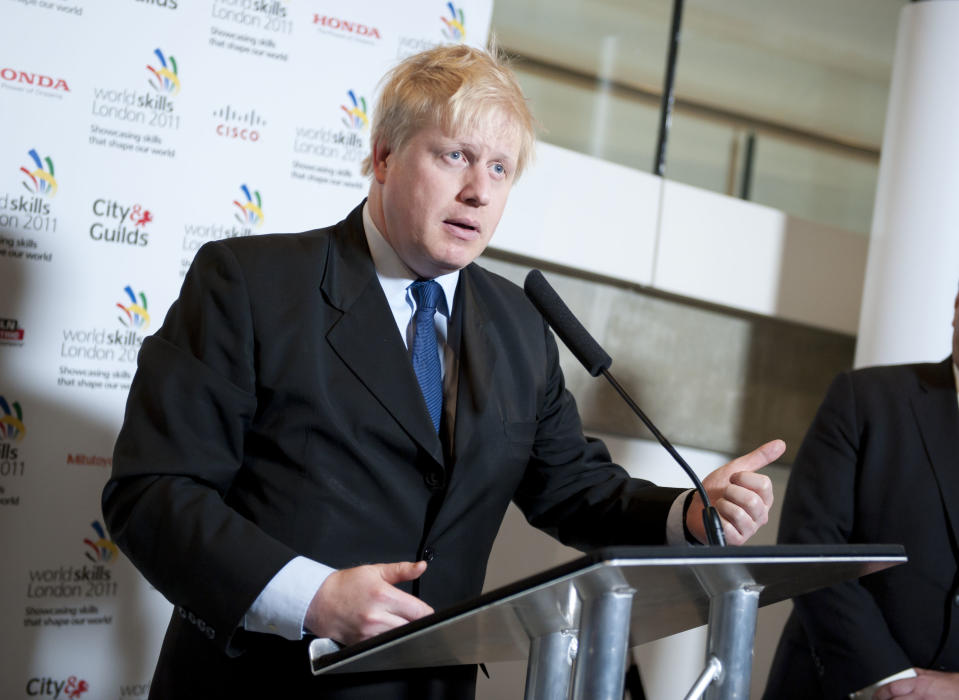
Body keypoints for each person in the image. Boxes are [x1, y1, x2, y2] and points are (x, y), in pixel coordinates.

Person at [103, 44, 783, 699]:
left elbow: (572, 488)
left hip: (430, 687)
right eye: (454, 155)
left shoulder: (519, 326)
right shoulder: (250, 285)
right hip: (266, 682)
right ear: (383, 156)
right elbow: (154, 493)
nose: (477, 191)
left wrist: (686, 513)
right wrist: (313, 598)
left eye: (499, 169)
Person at [763, 288, 959, 699]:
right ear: (957, 308)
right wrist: (893, 683)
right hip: (840, 687)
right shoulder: (864, 397)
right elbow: (810, 547)